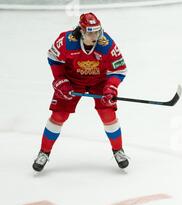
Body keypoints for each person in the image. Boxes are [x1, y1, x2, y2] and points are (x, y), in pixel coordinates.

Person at [33, 12, 129, 172]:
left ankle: (118, 150)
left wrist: (111, 87)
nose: (96, 36)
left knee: (108, 114)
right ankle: (44, 152)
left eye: (97, 31)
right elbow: (54, 59)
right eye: (91, 32)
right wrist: (60, 80)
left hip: (100, 82)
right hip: (72, 81)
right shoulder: (66, 41)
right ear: (81, 31)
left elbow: (120, 69)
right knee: (58, 116)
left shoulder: (106, 44)